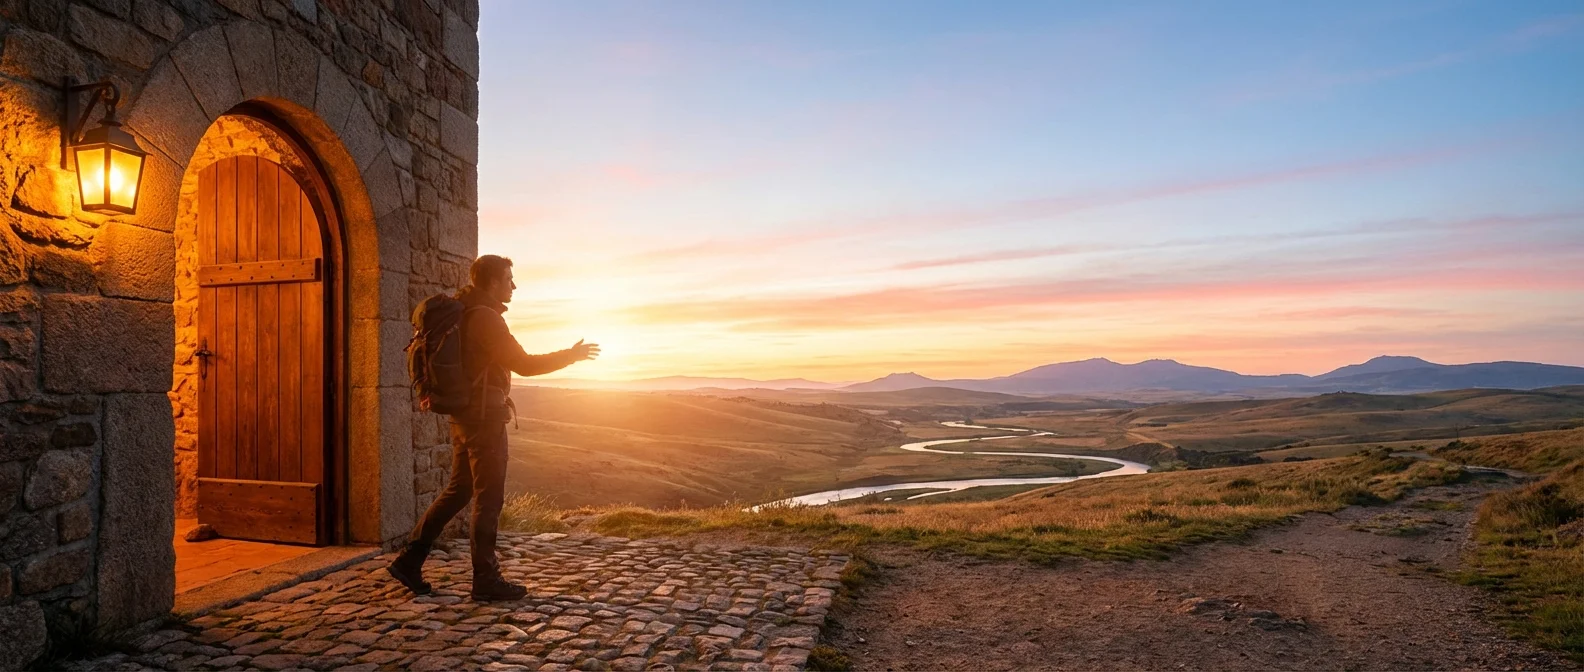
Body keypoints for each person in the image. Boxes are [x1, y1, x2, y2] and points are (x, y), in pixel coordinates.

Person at [388, 254, 600, 600]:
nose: (513, 286)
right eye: (508, 279)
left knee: (459, 491)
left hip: (463, 415)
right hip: (484, 419)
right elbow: (524, 364)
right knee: (488, 499)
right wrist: (569, 356)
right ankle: (486, 578)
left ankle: (410, 560)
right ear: (491, 282)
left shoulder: (464, 311)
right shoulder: (486, 318)